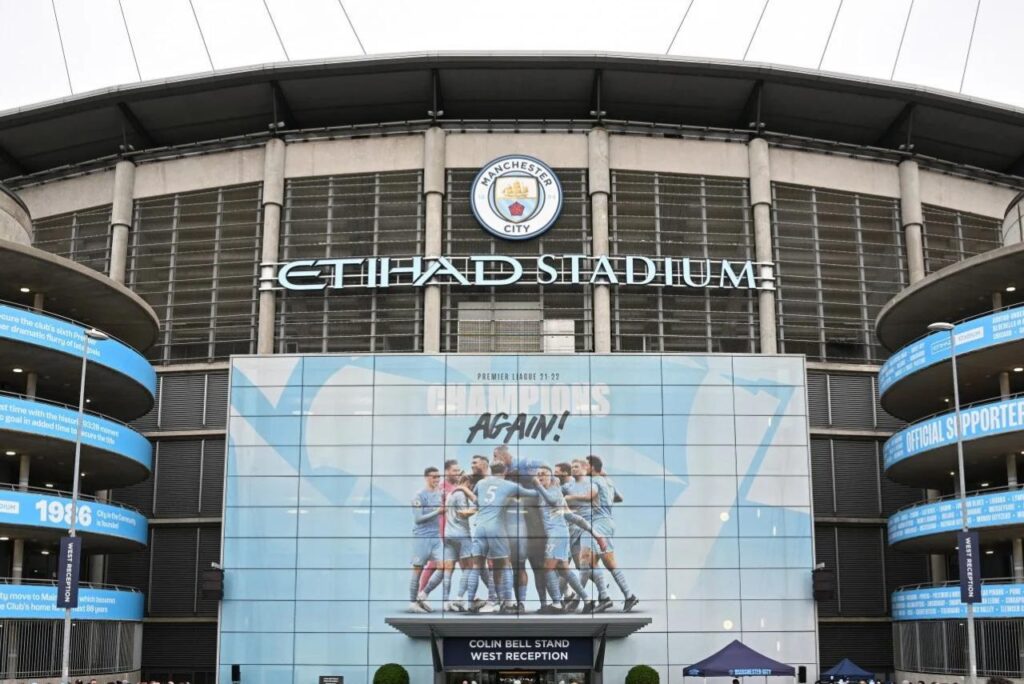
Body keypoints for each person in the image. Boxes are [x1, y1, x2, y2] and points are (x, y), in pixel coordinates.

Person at [463, 461, 540, 612]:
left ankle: (470, 603)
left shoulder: (481, 483)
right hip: (495, 528)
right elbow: (533, 494)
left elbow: (477, 503)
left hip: (479, 527)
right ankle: (509, 603)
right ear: (504, 470)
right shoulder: (509, 485)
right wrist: (538, 482)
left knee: (476, 565)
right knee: (505, 564)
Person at [533, 465, 603, 613]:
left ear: (551, 477)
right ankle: (588, 600)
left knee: (548, 568)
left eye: (544, 474)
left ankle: (557, 604)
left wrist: (538, 485)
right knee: (564, 570)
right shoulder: (542, 493)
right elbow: (571, 516)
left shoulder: (554, 492)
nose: (540, 476)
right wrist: (593, 531)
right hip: (561, 534)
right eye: (538, 474)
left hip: (556, 535)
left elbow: (552, 500)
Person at [408, 466, 444, 612]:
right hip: (421, 538)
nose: (436, 479)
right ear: (426, 478)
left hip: (436, 537)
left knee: (445, 567)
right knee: (417, 570)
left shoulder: (439, 494)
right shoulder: (419, 496)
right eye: (433, 477)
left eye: (438, 477)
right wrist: (438, 511)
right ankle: (412, 603)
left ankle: (423, 595)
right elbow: (418, 519)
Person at [443, 474, 478, 611]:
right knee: (469, 567)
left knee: (448, 570)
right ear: (466, 483)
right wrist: (476, 508)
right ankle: (459, 598)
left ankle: (445, 602)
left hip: (448, 534)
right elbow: (464, 513)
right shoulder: (461, 495)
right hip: (462, 535)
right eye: (471, 485)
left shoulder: (450, 494)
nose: (472, 488)